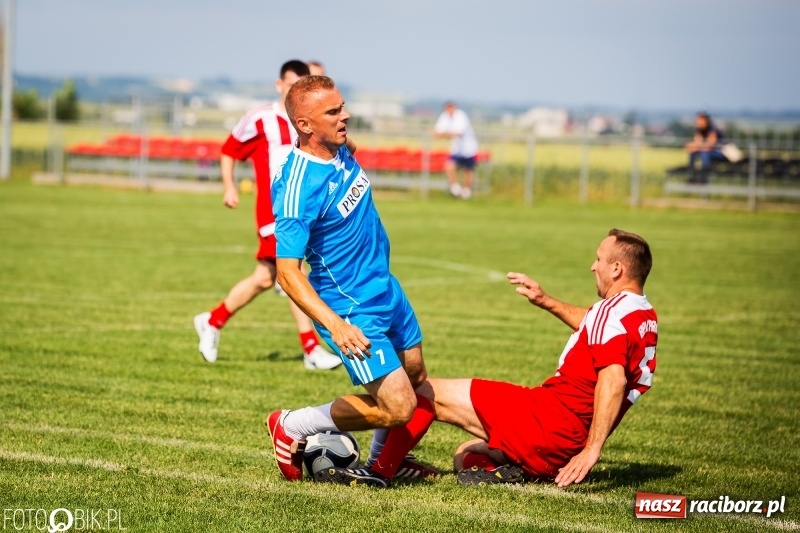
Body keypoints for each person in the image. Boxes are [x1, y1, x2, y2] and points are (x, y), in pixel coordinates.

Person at [327, 229, 658, 488]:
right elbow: (593, 326)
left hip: (549, 420)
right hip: (564, 443)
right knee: (465, 456)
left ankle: (379, 471)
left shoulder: (610, 313)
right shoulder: (641, 314)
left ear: (617, 268)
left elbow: (612, 380)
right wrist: (545, 301)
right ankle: (522, 470)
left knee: (425, 392)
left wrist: (592, 451)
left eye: (598, 259)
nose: (593, 266)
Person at [266, 75, 438, 486]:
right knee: (400, 406)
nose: (346, 115)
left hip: (386, 289)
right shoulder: (296, 187)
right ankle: (292, 424)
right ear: (306, 125)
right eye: (334, 112)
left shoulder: (342, 149)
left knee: (415, 374)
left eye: (343, 106)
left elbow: (349, 148)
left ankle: (382, 462)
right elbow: (288, 273)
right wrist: (337, 326)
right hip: (351, 307)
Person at [193, 60, 342, 371]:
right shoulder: (260, 119)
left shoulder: (306, 119)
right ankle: (311, 349)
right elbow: (229, 150)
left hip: (301, 210)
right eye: (290, 86)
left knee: (266, 277)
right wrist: (229, 187)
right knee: (293, 274)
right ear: (279, 86)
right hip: (273, 212)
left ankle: (213, 320)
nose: (295, 91)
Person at [433, 101, 480, 199]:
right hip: (457, 149)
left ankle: (467, 192)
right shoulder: (444, 116)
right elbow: (436, 132)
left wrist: (443, 134)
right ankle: (455, 188)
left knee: (468, 170)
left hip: (468, 148)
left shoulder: (461, 116)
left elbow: (458, 133)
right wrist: (446, 134)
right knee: (449, 166)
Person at [685, 111, 726, 183]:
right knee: (693, 154)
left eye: (700, 120)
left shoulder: (712, 129)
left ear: (706, 120)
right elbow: (695, 143)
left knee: (705, 154)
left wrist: (698, 145)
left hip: (720, 152)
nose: (698, 122)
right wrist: (696, 145)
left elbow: (710, 144)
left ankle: (704, 179)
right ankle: (693, 177)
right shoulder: (699, 130)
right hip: (706, 152)